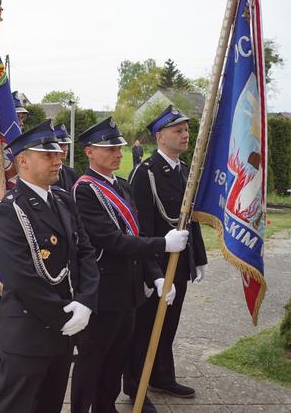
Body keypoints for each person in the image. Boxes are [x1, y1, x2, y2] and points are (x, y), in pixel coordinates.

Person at [70, 117, 188, 413]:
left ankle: (105, 407)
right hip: (102, 293)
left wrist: (156, 275)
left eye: (119, 148)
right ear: (89, 152)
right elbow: (112, 241)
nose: (117, 153)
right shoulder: (85, 190)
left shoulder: (121, 186)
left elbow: (138, 234)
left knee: (116, 360)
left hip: (129, 291)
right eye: (108, 149)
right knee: (92, 361)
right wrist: (163, 245)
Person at [0, 120, 99, 413]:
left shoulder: (63, 200)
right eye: (47, 155)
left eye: (57, 153)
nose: (58, 159)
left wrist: (86, 301)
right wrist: (63, 315)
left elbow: (85, 252)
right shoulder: (9, 210)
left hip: (64, 331)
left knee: (49, 406)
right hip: (29, 332)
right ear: (22, 161)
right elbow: (21, 277)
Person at [124, 106, 208, 409]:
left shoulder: (186, 170)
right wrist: (153, 274)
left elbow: (189, 220)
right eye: (177, 131)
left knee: (168, 325)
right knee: (145, 327)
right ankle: (136, 384)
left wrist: (198, 258)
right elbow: (140, 229)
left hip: (180, 264)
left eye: (186, 130)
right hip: (156, 266)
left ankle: (161, 374)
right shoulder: (145, 173)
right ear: (160, 136)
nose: (185, 135)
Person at [53, 124, 78, 190]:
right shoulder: (45, 172)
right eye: (61, 145)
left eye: (66, 144)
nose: (65, 149)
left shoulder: (71, 173)